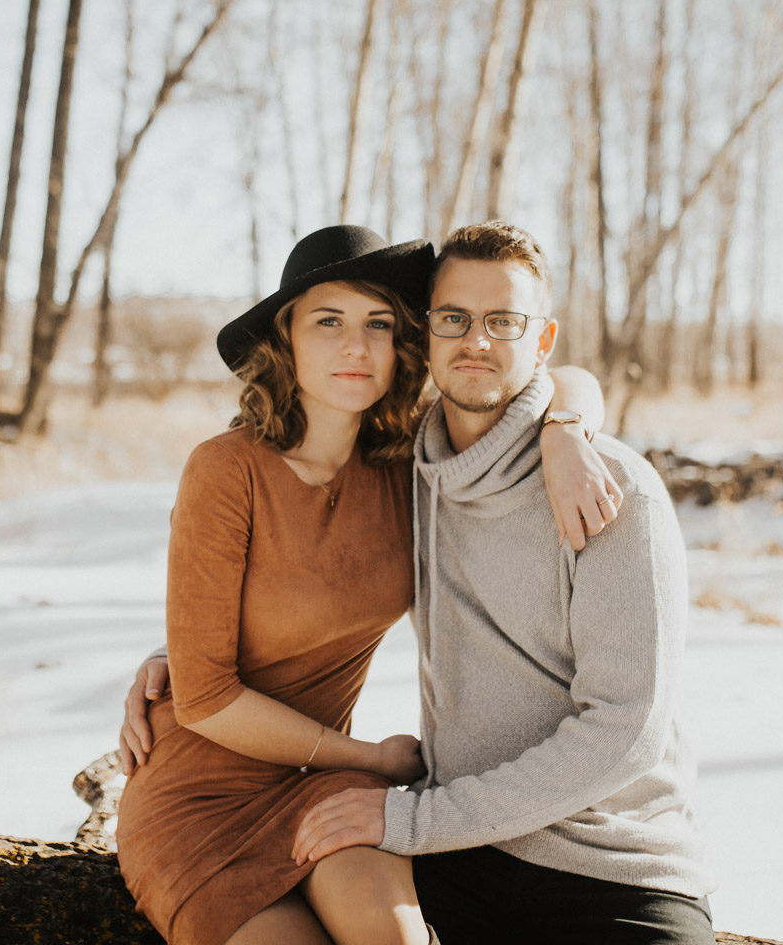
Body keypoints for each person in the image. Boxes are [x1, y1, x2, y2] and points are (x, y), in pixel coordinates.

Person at [127, 222, 715, 945]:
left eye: (378, 322)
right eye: (453, 319)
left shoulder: (510, 475)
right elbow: (239, 639)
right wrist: (177, 660)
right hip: (339, 819)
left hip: (572, 858)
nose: (476, 341)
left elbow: (626, 734)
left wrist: (567, 428)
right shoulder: (330, 464)